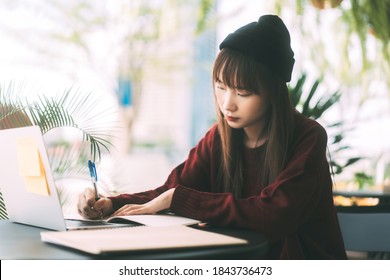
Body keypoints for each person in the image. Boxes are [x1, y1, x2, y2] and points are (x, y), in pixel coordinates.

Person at [78, 14, 347, 259]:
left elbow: (274, 214)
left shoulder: (308, 138)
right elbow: (167, 193)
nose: (227, 104)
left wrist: (176, 199)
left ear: (273, 93)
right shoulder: (220, 137)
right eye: (220, 87)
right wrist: (111, 203)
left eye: (242, 93)